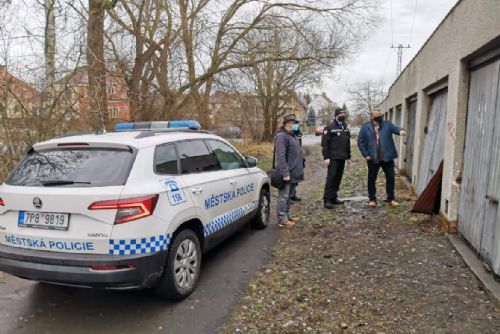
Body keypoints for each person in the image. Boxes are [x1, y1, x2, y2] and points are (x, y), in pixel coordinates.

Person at [357, 109, 407, 208]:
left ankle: (391, 198)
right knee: (371, 178)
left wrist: (401, 131)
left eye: (379, 114)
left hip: (387, 157)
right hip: (373, 158)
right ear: (372, 116)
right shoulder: (365, 127)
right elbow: (361, 142)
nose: (378, 116)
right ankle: (372, 199)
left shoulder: (387, 124)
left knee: (390, 177)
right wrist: (366, 154)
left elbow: (395, 128)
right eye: (376, 115)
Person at [274, 114, 304, 227]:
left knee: (290, 196)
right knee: (283, 196)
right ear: (288, 123)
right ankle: (282, 218)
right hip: (287, 173)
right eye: (294, 123)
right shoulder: (282, 136)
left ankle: (287, 215)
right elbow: (280, 157)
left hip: (295, 173)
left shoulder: (293, 136)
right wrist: (285, 173)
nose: (296, 125)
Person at [322, 107, 351, 209]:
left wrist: (349, 157)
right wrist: (326, 157)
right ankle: (327, 200)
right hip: (333, 157)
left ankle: (334, 197)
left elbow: (347, 143)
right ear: (336, 115)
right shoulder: (329, 127)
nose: (343, 115)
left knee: (338, 178)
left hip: (342, 157)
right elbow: (324, 143)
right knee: (331, 178)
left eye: (344, 113)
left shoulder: (345, 126)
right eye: (341, 114)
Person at [290, 122, 303, 202]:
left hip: (298, 157)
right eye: (295, 124)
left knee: (296, 178)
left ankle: (293, 194)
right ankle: (289, 196)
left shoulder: (297, 134)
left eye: (297, 125)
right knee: (291, 179)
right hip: (291, 159)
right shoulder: (288, 134)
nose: (296, 126)